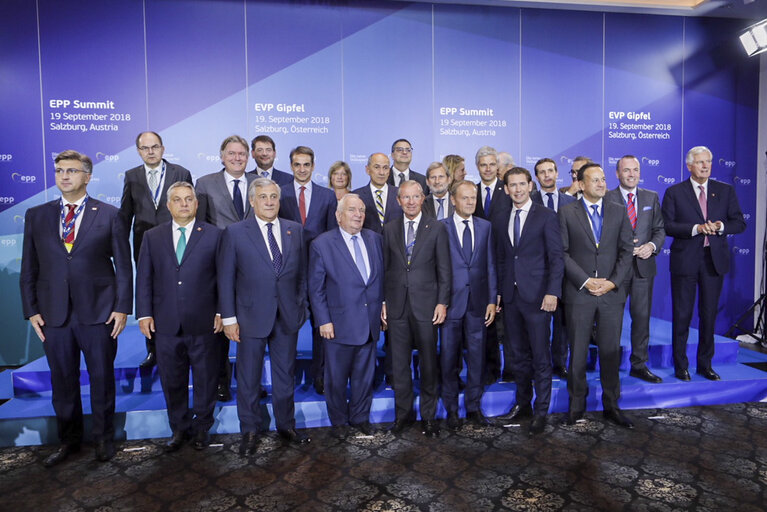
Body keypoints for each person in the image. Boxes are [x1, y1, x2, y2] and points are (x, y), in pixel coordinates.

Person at [20, 150, 132, 466]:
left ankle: (103, 440)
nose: (64, 176)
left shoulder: (110, 215)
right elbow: (30, 267)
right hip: (53, 315)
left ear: (87, 176)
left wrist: (122, 307)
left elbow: (124, 266)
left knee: (102, 379)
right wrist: (31, 309)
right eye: (59, 170)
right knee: (62, 382)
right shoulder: (37, 215)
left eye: (71, 170)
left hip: (99, 313)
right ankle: (69, 441)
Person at [218, 178, 311, 454]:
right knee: (248, 378)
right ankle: (249, 430)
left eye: (273, 196)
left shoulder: (295, 230)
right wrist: (229, 319)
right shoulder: (235, 233)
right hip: (249, 318)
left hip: (287, 316)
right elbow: (226, 279)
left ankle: (286, 425)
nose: (269, 202)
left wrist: (300, 305)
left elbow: (302, 274)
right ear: (252, 201)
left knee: (285, 375)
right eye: (263, 197)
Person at [135, 182, 223, 452]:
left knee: (206, 378)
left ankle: (202, 427)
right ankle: (178, 428)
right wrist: (144, 314)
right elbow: (145, 278)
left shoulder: (215, 235)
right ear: (169, 205)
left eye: (189, 199)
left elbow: (224, 277)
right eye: (178, 199)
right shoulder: (152, 236)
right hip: (165, 323)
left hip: (205, 322)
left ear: (196, 204)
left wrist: (222, 311)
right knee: (172, 379)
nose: (184, 204)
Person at [559, 163, 634, 428]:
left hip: (611, 294)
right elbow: (563, 253)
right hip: (580, 292)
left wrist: (612, 282)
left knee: (610, 351)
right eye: (595, 180)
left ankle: (611, 405)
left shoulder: (618, 211)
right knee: (578, 352)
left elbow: (626, 251)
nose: (601, 184)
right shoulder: (566, 212)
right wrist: (587, 281)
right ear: (580, 184)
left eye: (603, 179)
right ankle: (576, 405)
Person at [661, 146, 746, 381]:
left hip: (713, 261)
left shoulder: (725, 191)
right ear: (689, 166)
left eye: (708, 161)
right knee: (682, 315)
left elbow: (739, 223)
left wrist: (720, 227)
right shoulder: (675, 192)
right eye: (700, 162)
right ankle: (681, 365)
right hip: (685, 261)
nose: (706, 166)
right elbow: (666, 225)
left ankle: (705, 364)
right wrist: (695, 229)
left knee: (708, 316)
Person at [493, 167, 563, 435]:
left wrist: (552, 292)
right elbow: (502, 259)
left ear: (530, 186)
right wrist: (499, 292)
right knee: (517, 357)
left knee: (540, 357)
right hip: (511, 299)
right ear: (507, 189)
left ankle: (541, 411)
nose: (518, 189)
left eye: (522, 184)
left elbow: (556, 258)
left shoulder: (546, 216)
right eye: (513, 185)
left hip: (538, 298)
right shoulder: (500, 218)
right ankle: (524, 405)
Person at [308, 194, 384, 438]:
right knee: (336, 380)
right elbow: (316, 288)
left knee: (364, 377)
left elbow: (379, 279)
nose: (358, 215)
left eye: (361, 210)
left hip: (369, 322)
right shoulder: (322, 244)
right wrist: (323, 320)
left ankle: (360, 417)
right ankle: (339, 422)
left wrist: (383, 304)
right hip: (337, 325)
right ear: (339, 216)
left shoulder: (375, 239)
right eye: (352, 210)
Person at [383, 181, 451, 437]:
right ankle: (403, 416)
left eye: (415, 197)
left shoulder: (436, 228)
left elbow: (444, 270)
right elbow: (386, 268)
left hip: (427, 308)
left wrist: (442, 302)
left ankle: (429, 416)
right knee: (399, 365)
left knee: (428, 365)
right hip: (397, 307)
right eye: (405, 197)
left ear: (423, 198)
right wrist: (383, 302)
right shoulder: (389, 229)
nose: (410, 202)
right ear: (398, 201)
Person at [120, 131, 193, 369]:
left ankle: (186, 346)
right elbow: (125, 215)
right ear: (139, 151)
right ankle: (152, 351)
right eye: (145, 148)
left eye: (154, 147)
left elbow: (190, 209)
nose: (150, 152)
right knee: (149, 296)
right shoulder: (131, 176)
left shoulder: (180, 173)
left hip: (177, 242)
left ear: (162, 149)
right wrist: (119, 245)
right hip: (144, 246)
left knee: (181, 293)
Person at [195, 135, 257, 403]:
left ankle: (251, 382)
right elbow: (200, 227)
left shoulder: (259, 183)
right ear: (221, 156)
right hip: (217, 265)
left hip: (254, 267)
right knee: (219, 326)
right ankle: (221, 381)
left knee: (253, 327)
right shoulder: (205, 183)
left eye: (242, 154)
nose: (237, 158)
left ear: (249, 157)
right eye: (231, 153)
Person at [279, 146, 338, 394]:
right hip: (288, 271)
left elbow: (332, 236)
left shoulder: (327, 195)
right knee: (285, 327)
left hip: (318, 270)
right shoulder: (279, 194)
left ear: (313, 166)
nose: (302, 169)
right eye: (297, 164)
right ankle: (285, 379)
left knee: (321, 325)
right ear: (291, 166)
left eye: (306, 164)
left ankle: (321, 376)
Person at [440, 180, 496, 429]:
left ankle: (473, 406)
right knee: (449, 359)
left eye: (473, 198)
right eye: (465, 198)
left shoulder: (486, 227)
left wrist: (492, 300)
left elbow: (491, 265)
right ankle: (451, 409)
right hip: (450, 305)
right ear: (453, 200)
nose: (471, 202)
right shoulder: (440, 228)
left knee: (476, 358)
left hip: (478, 303)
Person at [605, 155, 666, 384]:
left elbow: (659, 230)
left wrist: (651, 246)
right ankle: (609, 366)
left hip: (643, 269)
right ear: (618, 174)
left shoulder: (651, 196)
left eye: (635, 170)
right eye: (626, 170)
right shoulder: (607, 197)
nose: (631, 174)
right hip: (615, 271)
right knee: (612, 321)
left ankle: (639, 365)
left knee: (641, 319)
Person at [531, 158, 575, 379]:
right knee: (538, 322)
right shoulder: (528, 201)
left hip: (566, 270)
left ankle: (560, 362)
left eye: (550, 171)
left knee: (563, 322)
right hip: (537, 272)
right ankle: (540, 365)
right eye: (542, 172)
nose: (547, 175)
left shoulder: (571, 202)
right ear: (536, 177)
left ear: (557, 173)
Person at [472, 146, 509, 383]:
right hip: (476, 269)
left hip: (504, 265)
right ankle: (485, 371)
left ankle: (507, 370)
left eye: (491, 164)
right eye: (483, 164)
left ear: (498, 167)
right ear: (478, 167)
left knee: (505, 325)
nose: (487, 168)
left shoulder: (509, 191)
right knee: (482, 323)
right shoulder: (470, 192)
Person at [353, 153, 402, 233]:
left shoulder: (400, 194)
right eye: (377, 167)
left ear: (389, 171)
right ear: (367, 170)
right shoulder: (356, 196)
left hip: (395, 244)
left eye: (385, 168)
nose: (381, 172)